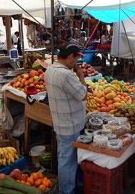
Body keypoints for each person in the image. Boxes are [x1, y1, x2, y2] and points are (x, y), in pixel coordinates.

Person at [44, 43, 87, 194]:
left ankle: (68, 188)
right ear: (70, 57)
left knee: (65, 158)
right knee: (67, 161)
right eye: (76, 58)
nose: (76, 62)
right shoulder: (67, 75)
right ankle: (66, 191)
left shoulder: (49, 70)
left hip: (61, 123)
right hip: (71, 125)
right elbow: (83, 95)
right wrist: (81, 76)